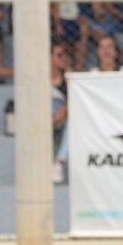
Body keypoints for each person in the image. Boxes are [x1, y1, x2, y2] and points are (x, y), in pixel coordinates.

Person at [51, 0, 91, 71]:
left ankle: (77, 67)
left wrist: (79, 18)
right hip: (64, 21)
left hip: (73, 20)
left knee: (75, 45)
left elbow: (75, 7)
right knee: (65, 46)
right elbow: (56, 9)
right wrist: (58, 24)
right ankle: (67, 67)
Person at [51, 43, 71, 184]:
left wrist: (63, 112)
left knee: (74, 123)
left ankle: (59, 163)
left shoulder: (69, 77)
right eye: (59, 55)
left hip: (64, 119)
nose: (63, 59)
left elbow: (76, 98)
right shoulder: (38, 79)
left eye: (65, 55)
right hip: (44, 118)